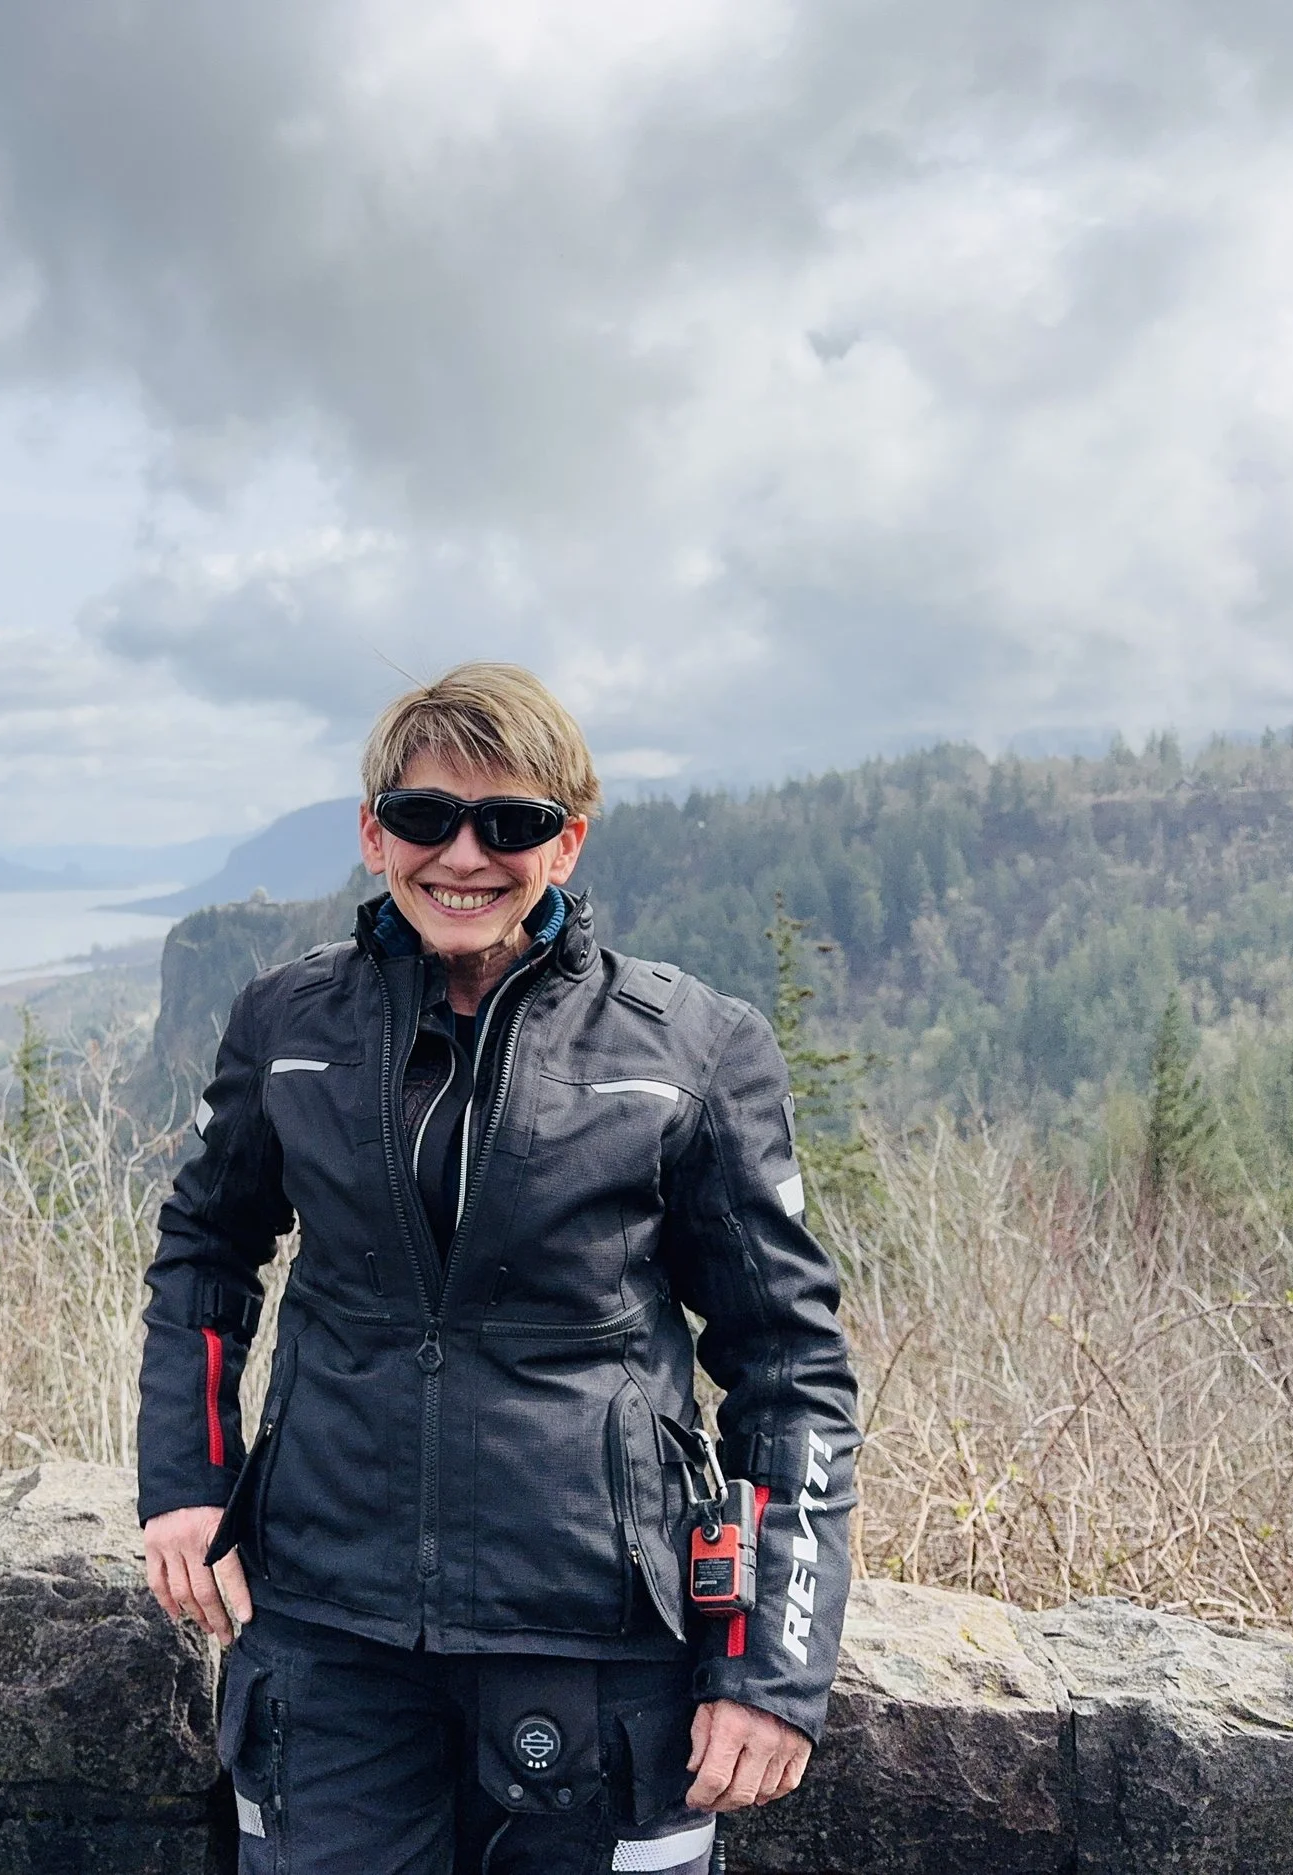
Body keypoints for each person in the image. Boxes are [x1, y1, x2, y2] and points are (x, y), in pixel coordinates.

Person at [136, 664, 858, 1875]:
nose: (462, 856)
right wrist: (184, 1485)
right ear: (374, 833)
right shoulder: (287, 1024)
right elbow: (206, 1254)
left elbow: (789, 1364)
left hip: (604, 1647)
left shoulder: (692, 1049)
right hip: (327, 1637)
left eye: (510, 823)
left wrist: (771, 1670)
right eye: (423, 815)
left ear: (565, 843)